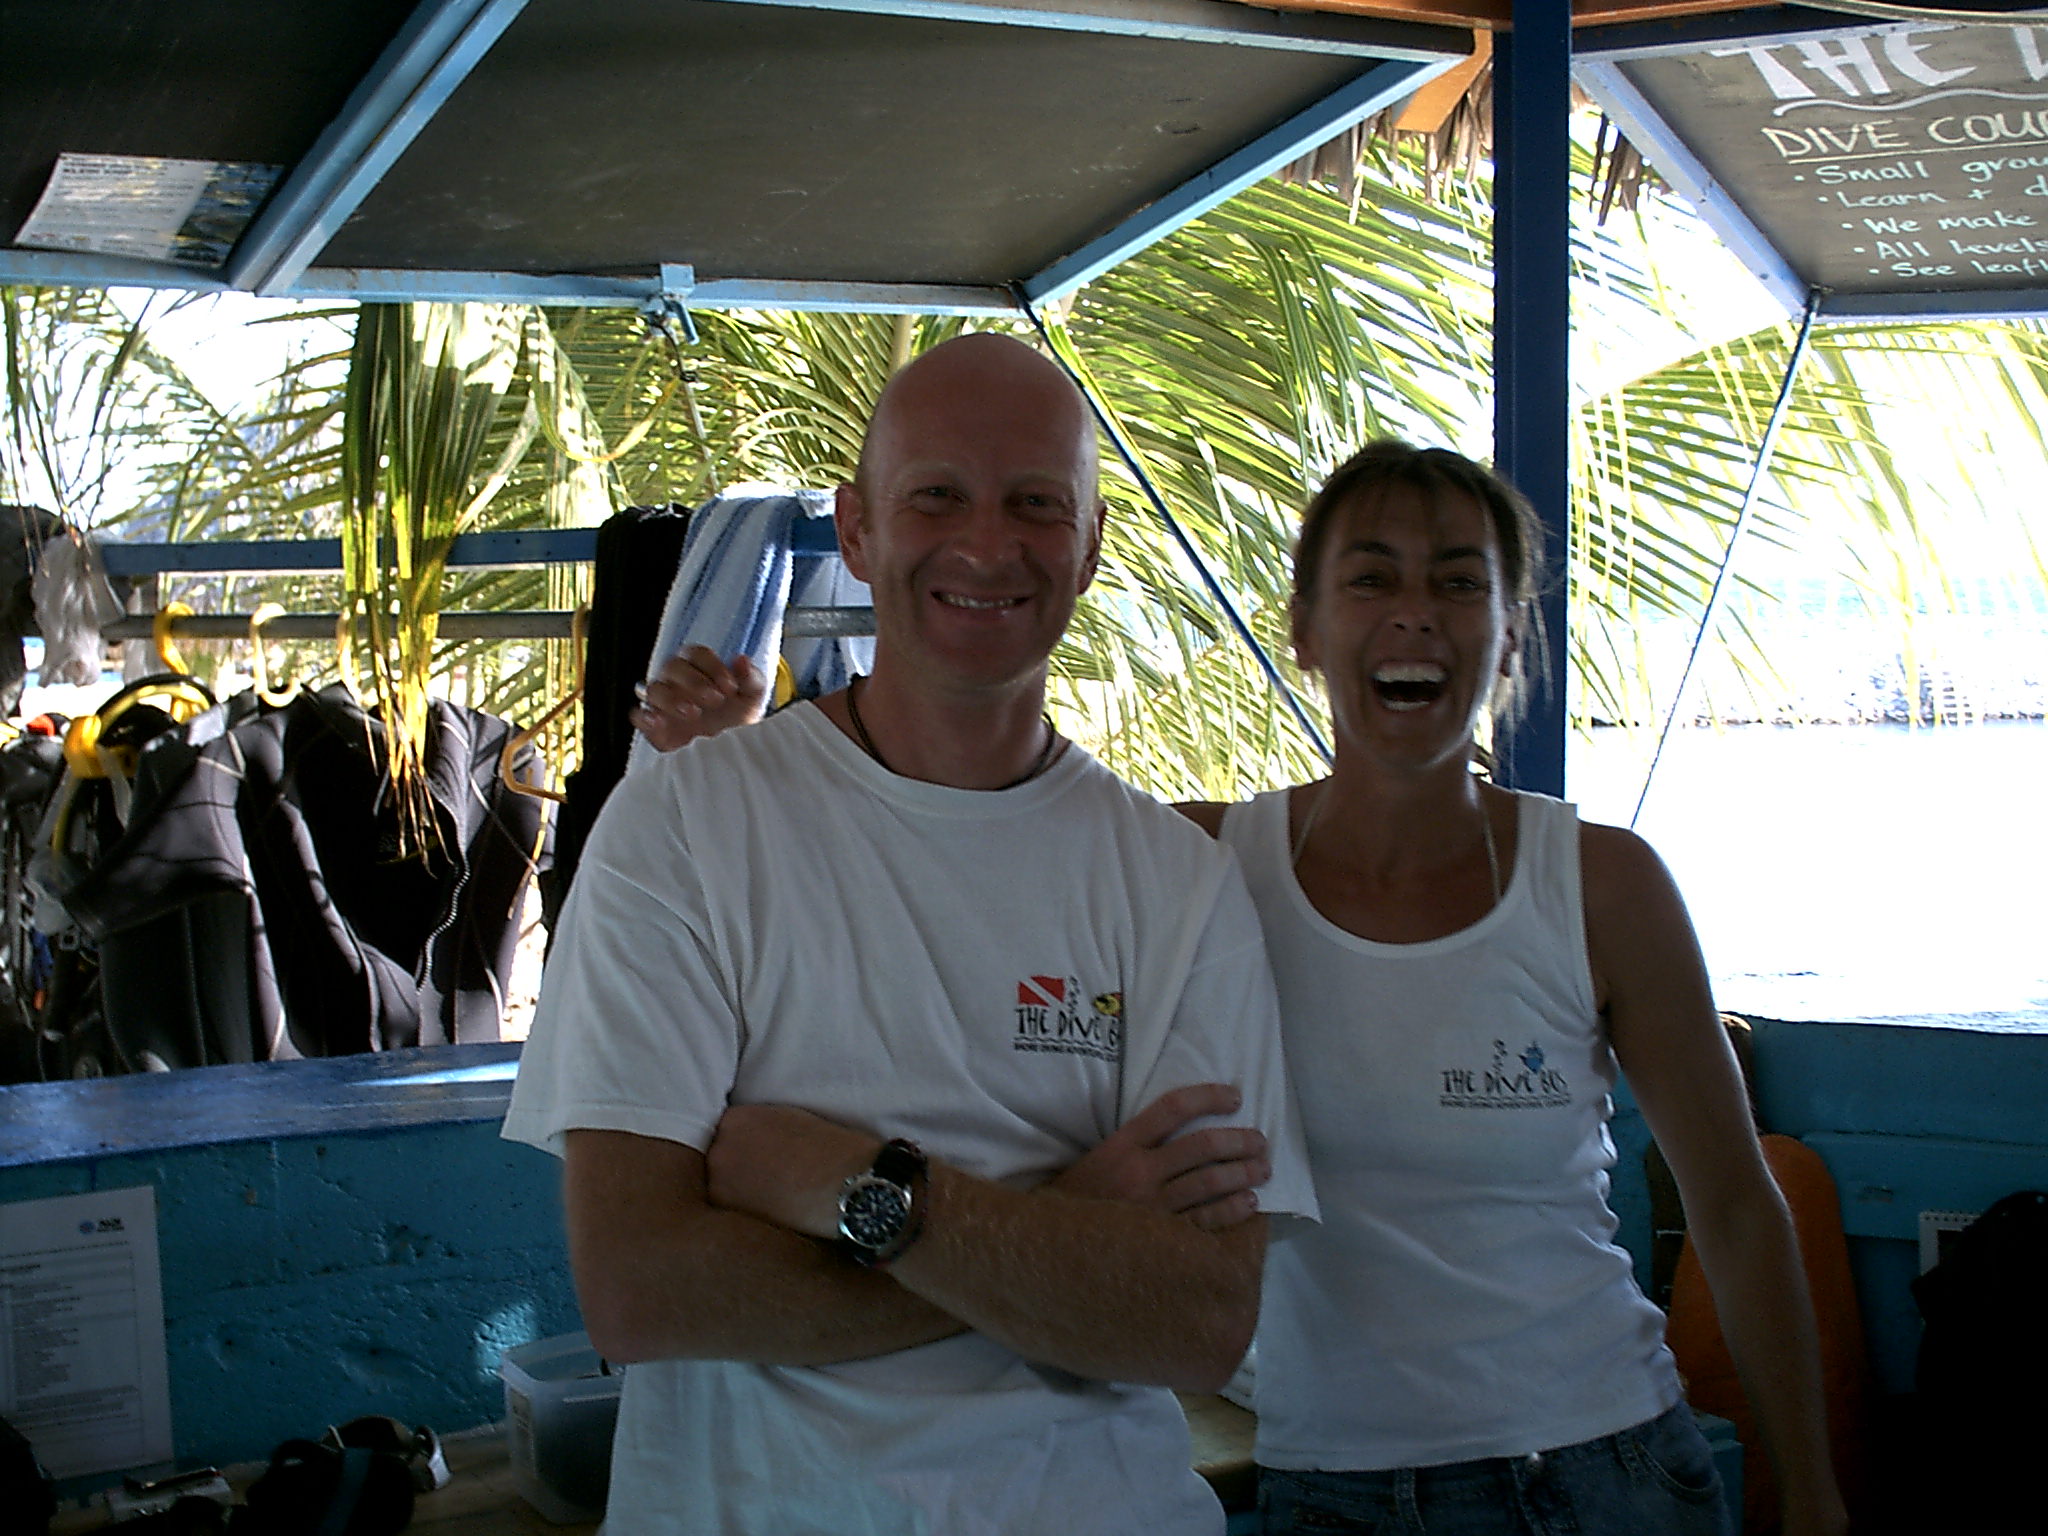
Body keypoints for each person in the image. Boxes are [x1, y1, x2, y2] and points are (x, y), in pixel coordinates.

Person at [634, 438, 1850, 1536]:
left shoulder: (1599, 884)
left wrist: (1807, 1494)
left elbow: (1736, 1207)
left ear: (1511, 633)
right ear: (1305, 631)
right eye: (1369, 579)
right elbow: (945, 853)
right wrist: (740, 769)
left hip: (1602, 1466)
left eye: (1457, 582)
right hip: (1331, 1485)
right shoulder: (1200, 865)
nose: (1413, 617)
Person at [503, 332, 1317, 1536]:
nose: (987, 545)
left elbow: (1193, 1321)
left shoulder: (1174, 883)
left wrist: (856, 1189)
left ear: (1089, 544)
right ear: (858, 530)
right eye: (936, 494)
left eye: (1036, 504)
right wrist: (1067, 1220)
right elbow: (643, 1290)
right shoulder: (683, 825)